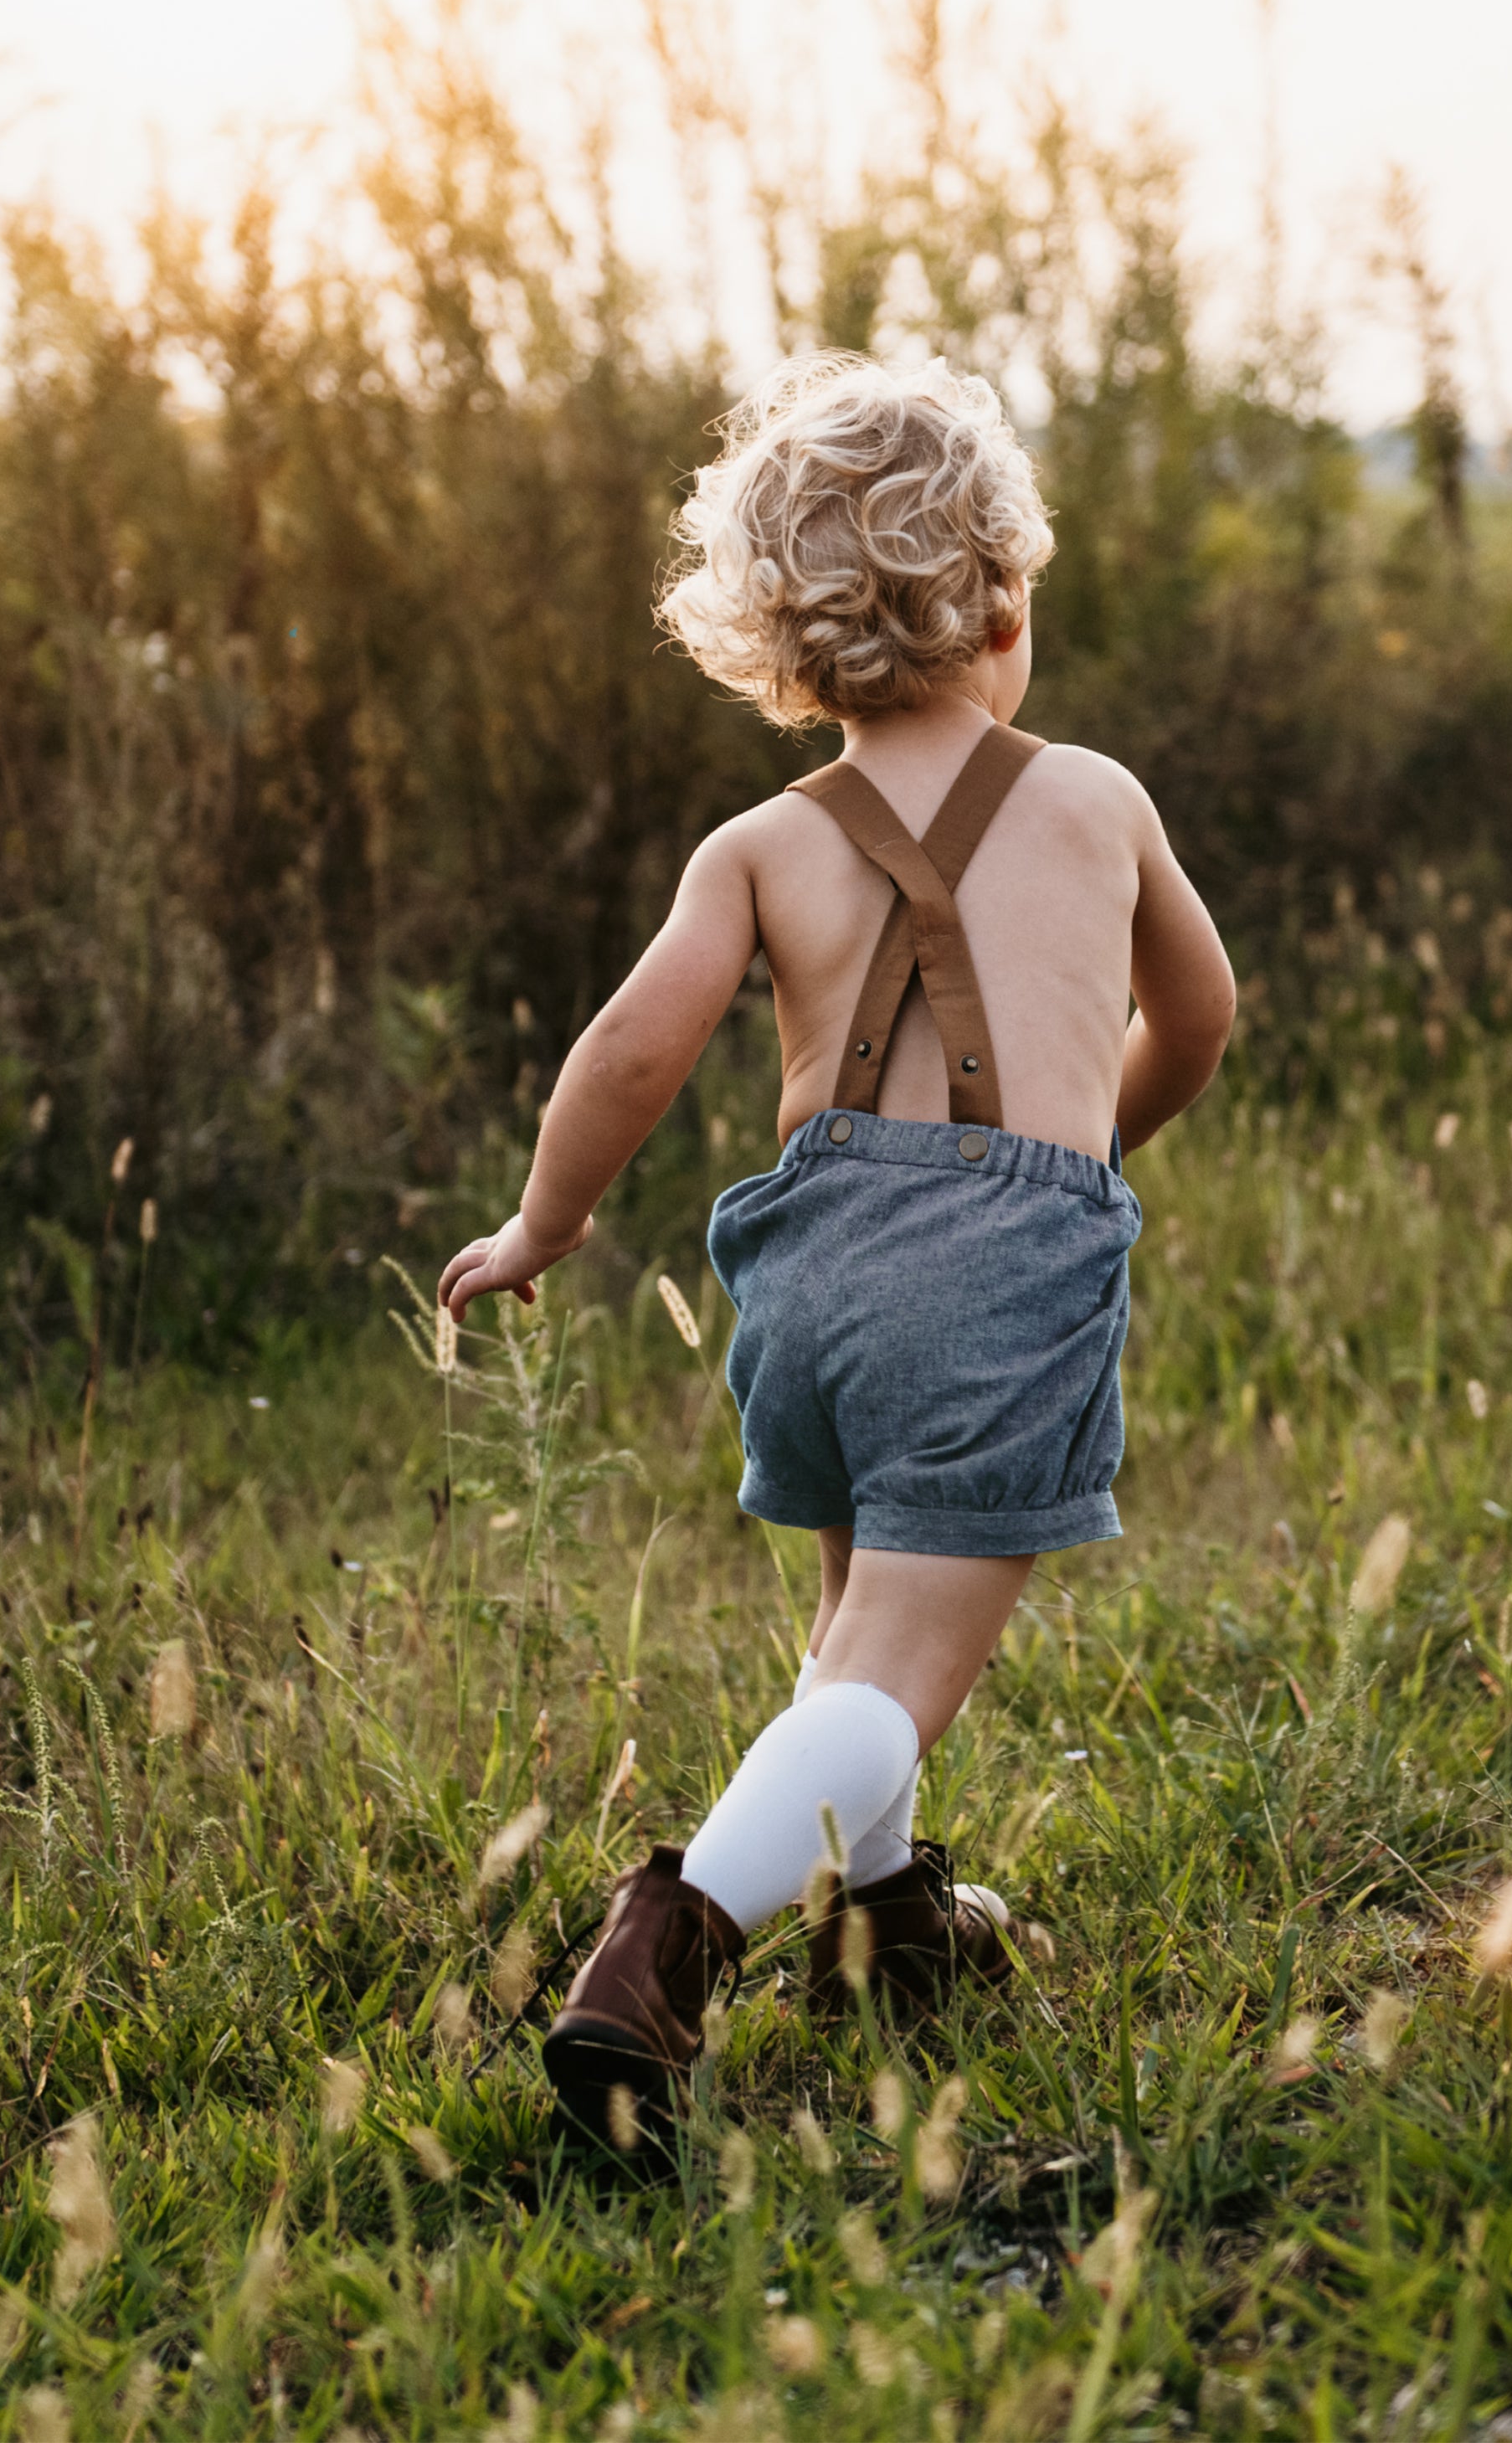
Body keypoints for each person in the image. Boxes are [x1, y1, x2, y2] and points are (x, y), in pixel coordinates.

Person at [437, 352, 1237, 2148]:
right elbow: (1198, 1016)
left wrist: (543, 1224)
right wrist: (1080, 1150)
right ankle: (664, 1951)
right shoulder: (1099, 801)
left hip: (810, 1269)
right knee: (893, 1675)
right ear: (1006, 598)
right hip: (997, 1272)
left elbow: (631, 1050)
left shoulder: (761, 843)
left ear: (786, 654)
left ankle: (884, 1929)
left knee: (851, 1635)